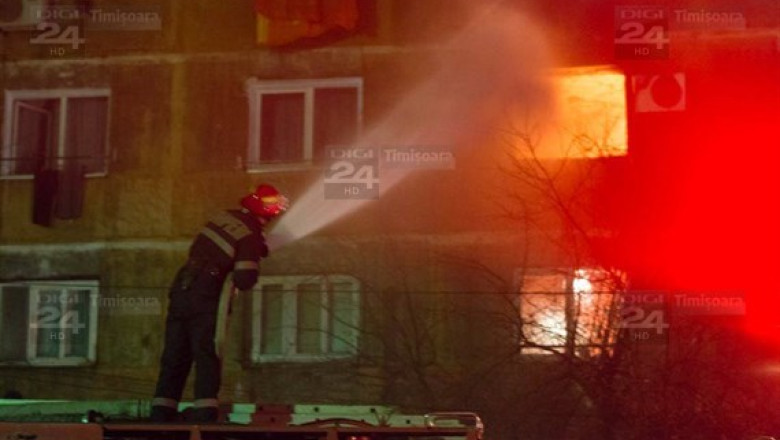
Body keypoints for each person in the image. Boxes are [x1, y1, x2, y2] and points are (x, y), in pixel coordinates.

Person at [150, 184, 288, 423]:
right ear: (268, 213)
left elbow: (202, 248)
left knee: (175, 354)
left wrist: (256, 247)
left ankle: (161, 412)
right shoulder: (250, 234)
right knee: (207, 352)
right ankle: (205, 413)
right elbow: (244, 279)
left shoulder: (224, 216)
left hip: (182, 287)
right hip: (206, 296)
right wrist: (254, 253)